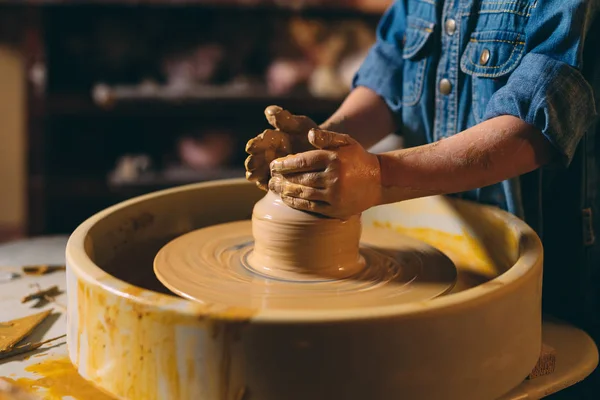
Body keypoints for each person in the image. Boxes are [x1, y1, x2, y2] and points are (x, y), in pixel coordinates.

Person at [246, 0, 599, 397]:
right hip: (439, 261)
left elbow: (535, 125)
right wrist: (325, 144)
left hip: (546, 287)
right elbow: (390, 75)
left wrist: (378, 177)